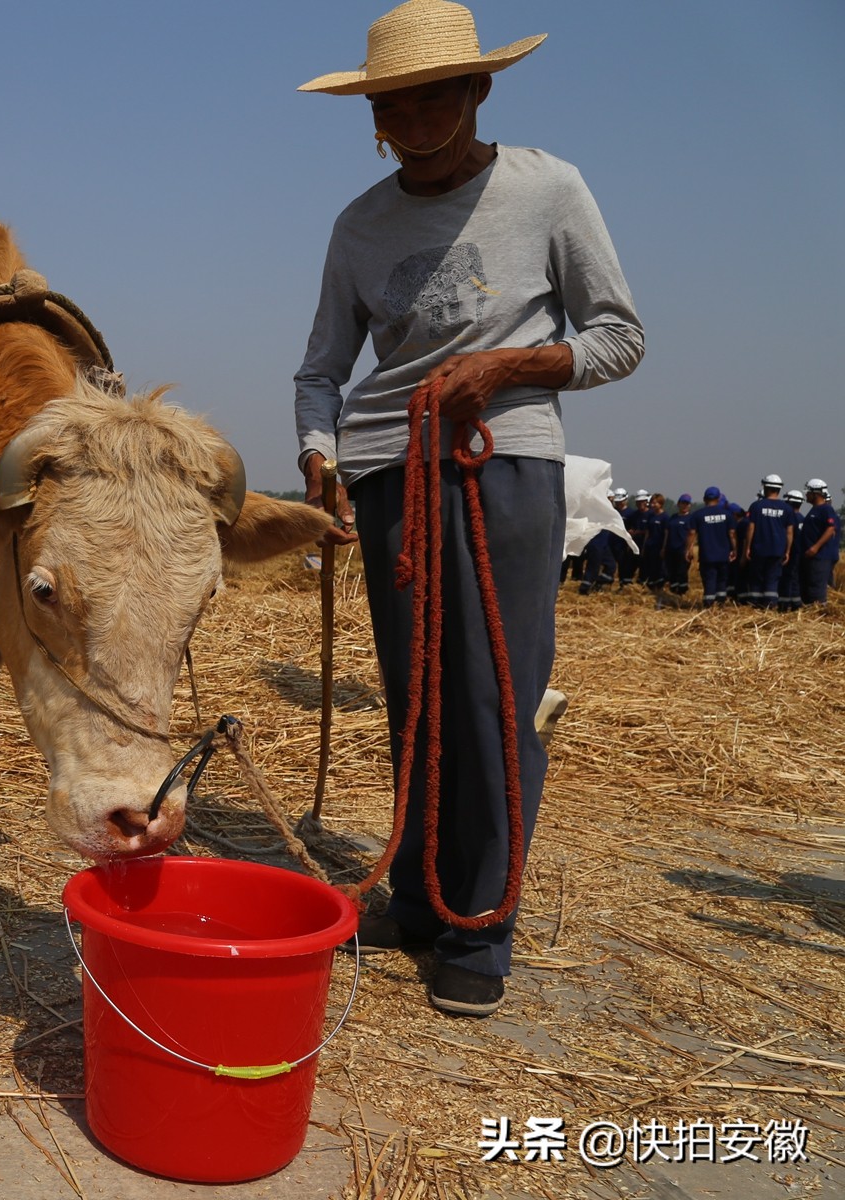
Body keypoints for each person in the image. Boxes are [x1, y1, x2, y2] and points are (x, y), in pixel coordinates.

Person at [293, 0, 643, 1017]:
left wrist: (507, 368)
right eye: (392, 103)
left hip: (503, 459)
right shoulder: (359, 225)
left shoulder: (547, 188)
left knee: (493, 695)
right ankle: (417, 897)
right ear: (371, 114)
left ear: (479, 89)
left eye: (432, 96)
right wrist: (318, 451)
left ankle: (481, 925)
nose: (412, 118)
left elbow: (619, 338)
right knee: (416, 695)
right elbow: (322, 370)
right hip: (386, 467)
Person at [741, 474, 794, 608]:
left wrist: (748, 547)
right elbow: (789, 532)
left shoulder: (756, 506)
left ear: (765, 488)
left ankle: (754, 605)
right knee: (772, 578)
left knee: (756, 578)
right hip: (777, 550)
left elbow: (751, 528)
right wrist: (787, 551)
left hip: (759, 549)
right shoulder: (787, 509)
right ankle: (770, 606)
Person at [688, 487, 735, 607]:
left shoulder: (698, 515)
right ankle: (720, 605)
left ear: (704, 499)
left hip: (707, 555)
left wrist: (688, 549)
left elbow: (692, 533)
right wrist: (735, 549)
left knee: (709, 580)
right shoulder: (727, 515)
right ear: (718, 499)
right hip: (723, 555)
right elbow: (732, 534)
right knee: (722, 581)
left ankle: (709, 605)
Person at [799, 479, 839, 605]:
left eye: (808, 492)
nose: (806, 495)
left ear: (815, 494)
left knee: (817, 590)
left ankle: (819, 612)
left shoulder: (825, 509)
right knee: (809, 588)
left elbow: (830, 528)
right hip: (812, 557)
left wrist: (815, 547)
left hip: (820, 557)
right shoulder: (814, 510)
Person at [778, 486, 806, 611]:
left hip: (791, 553)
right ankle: (796, 604)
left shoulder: (790, 519)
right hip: (800, 553)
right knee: (795, 579)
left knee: (787, 578)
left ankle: (784, 605)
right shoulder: (803, 519)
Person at [661, 494, 695, 595]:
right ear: (678, 504)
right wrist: (664, 547)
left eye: (687, 504)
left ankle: (682, 592)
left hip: (683, 550)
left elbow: (693, 535)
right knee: (671, 572)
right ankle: (673, 591)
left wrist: (690, 549)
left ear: (690, 505)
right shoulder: (673, 517)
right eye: (683, 503)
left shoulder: (691, 518)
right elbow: (667, 533)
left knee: (682, 572)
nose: (685, 506)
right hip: (671, 549)